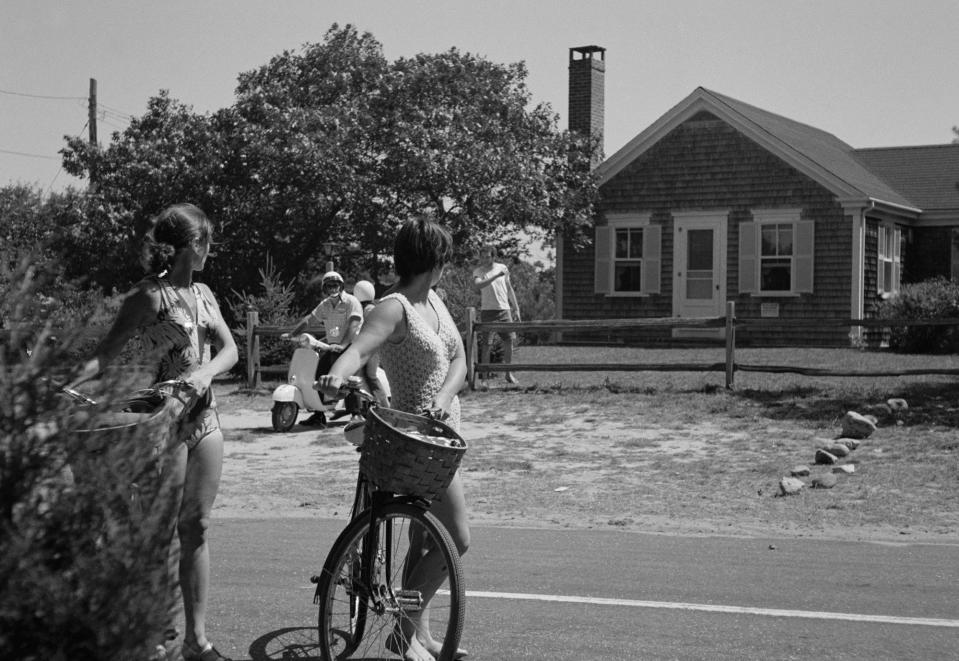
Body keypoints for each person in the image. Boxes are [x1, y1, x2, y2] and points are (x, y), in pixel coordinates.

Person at [69, 203, 238, 661]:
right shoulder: (148, 296)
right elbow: (105, 355)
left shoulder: (205, 293)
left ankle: (195, 641)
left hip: (206, 419)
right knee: (160, 533)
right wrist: (67, 385)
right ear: (193, 244)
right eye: (208, 240)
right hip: (162, 422)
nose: (211, 249)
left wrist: (205, 375)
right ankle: (156, 636)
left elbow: (230, 350)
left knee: (197, 527)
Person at [319, 218, 470, 661]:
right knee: (456, 540)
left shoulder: (435, 302)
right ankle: (403, 633)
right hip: (419, 440)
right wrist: (337, 376)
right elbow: (359, 350)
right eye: (444, 258)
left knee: (425, 541)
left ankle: (416, 635)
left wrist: (445, 394)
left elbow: (460, 358)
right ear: (434, 260)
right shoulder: (392, 307)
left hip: (447, 433)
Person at [281, 270, 362, 425]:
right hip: (332, 348)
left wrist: (343, 345)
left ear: (341, 286)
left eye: (336, 285)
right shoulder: (324, 306)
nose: (333, 288)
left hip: (352, 347)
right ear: (325, 288)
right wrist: (292, 334)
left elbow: (353, 325)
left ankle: (356, 414)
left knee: (349, 379)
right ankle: (319, 414)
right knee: (317, 376)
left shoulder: (352, 302)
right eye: (329, 285)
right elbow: (308, 320)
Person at [472, 245, 521, 384]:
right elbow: (478, 285)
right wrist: (494, 276)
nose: (484, 259)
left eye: (487, 256)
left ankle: (508, 374)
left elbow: (509, 289)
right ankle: (485, 378)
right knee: (487, 344)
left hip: (505, 310)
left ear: (493, 256)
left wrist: (516, 308)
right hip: (488, 311)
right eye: (482, 256)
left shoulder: (503, 268)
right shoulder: (478, 271)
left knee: (509, 341)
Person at [351, 279, 390, 407]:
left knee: (370, 376)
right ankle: (372, 406)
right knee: (366, 377)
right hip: (372, 347)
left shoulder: (367, 309)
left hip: (370, 348)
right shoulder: (370, 308)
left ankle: (383, 406)